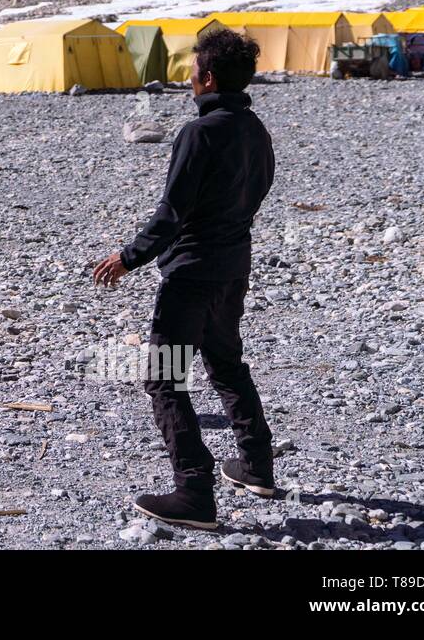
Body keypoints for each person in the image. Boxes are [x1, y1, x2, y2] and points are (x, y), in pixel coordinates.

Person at [93, 28, 276, 530]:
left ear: (209, 76)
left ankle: (194, 491)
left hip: (192, 274)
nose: (188, 78)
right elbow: (256, 195)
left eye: (193, 70)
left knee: (164, 377)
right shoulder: (255, 128)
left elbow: (173, 210)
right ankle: (257, 465)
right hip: (233, 266)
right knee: (225, 362)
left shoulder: (200, 132)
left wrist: (128, 258)